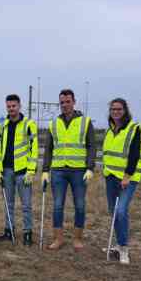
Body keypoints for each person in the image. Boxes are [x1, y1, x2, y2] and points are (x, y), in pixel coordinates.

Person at [42, 89, 96, 251]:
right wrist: (45, 170)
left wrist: (90, 167)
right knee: (58, 205)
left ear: (74, 102)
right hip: (58, 171)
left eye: (67, 102)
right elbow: (49, 149)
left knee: (79, 205)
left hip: (79, 171)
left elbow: (92, 146)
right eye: (62, 103)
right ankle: (58, 238)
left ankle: (77, 239)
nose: (64, 105)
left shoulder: (85, 122)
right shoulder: (53, 124)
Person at [102, 98, 141, 265]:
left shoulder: (134, 129)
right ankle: (118, 245)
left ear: (125, 110)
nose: (116, 112)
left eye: (119, 109)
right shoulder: (110, 130)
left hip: (128, 178)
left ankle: (124, 249)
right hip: (111, 176)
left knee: (121, 211)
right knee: (113, 212)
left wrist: (127, 176)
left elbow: (134, 154)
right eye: (113, 109)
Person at [0, 94, 38, 246]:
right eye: (9, 106)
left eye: (14, 106)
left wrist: (31, 171)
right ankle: (9, 230)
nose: (11, 109)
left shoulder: (29, 124)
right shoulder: (2, 126)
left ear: (19, 106)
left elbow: (34, 149)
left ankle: (27, 233)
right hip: (6, 171)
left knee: (26, 205)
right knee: (8, 204)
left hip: (23, 172)